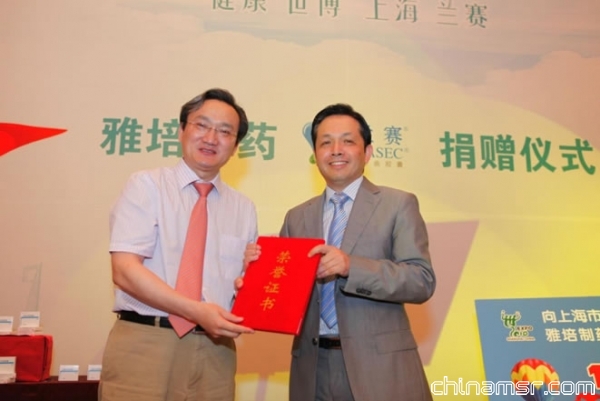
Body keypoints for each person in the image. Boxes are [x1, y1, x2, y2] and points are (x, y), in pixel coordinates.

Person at [244, 103, 435, 401]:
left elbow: (421, 280)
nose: (336, 150)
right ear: (315, 153)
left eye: (347, 141)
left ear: (367, 152)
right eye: (325, 142)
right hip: (312, 367)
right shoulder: (297, 217)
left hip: (379, 369)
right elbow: (285, 292)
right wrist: (254, 276)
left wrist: (350, 266)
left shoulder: (398, 204)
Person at [99, 88, 257, 401]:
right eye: (202, 125)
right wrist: (196, 310)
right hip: (146, 341)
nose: (211, 138)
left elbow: (239, 290)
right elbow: (125, 270)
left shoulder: (243, 208)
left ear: (235, 145)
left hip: (216, 350)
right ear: (182, 129)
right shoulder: (147, 185)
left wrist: (248, 283)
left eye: (225, 131)